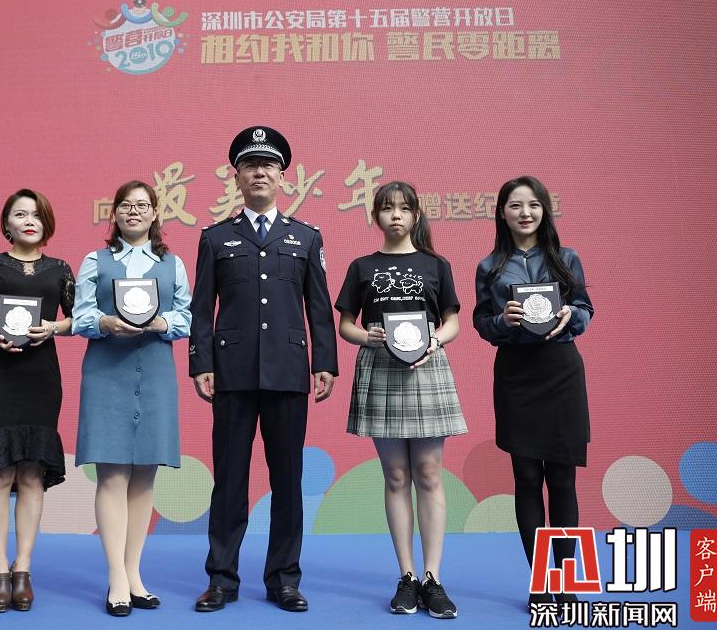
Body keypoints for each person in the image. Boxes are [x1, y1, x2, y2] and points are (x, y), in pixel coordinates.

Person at [189, 126, 338, 613]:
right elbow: (201, 309)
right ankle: (221, 579)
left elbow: (319, 308)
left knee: (287, 481)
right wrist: (201, 363)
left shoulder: (305, 237)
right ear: (236, 177)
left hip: (289, 372)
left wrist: (325, 363)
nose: (259, 172)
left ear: (282, 177)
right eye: (250, 165)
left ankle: (284, 579)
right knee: (230, 480)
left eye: (268, 165)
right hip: (231, 373)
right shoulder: (215, 237)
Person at [335, 181, 466, 619]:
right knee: (395, 476)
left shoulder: (436, 264)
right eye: (387, 208)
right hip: (380, 366)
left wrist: (435, 341)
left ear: (416, 216)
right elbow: (346, 325)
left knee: (428, 473)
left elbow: (452, 321)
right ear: (375, 215)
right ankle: (406, 576)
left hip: (426, 366)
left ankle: (433, 578)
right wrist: (367, 337)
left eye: (404, 208)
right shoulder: (362, 266)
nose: (395, 215)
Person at [472, 176, 594, 611]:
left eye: (533, 205)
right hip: (516, 375)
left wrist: (570, 313)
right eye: (515, 205)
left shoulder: (567, 258)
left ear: (544, 210)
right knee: (526, 479)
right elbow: (481, 323)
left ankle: (565, 583)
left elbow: (586, 310)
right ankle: (541, 582)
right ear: (502, 213)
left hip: (561, 372)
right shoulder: (489, 266)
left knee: (562, 480)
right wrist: (502, 320)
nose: (525, 213)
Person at [72, 180, 192, 617]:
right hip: (107, 373)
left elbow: (187, 316)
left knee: (144, 476)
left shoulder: (172, 263)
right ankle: (116, 578)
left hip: (156, 373)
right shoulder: (96, 260)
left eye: (142, 205)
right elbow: (79, 316)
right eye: (126, 205)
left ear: (156, 213)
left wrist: (163, 324)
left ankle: (134, 573)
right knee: (112, 475)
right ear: (115, 214)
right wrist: (104, 322)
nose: (134, 211)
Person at [0, 188, 74, 613]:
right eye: (20, 214)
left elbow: (78, 318)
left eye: (36, 215)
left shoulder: (60, 269)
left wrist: (53, 328)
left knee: (31, 474)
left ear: (46, 223)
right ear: (6, 223)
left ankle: (23, 568)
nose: (29, 221)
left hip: (41, 379)